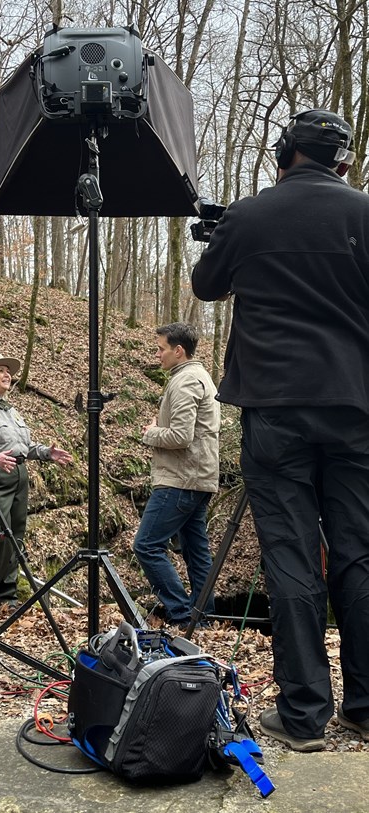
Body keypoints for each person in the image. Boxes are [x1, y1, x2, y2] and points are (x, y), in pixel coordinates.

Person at [191, 108, 369, 752]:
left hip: (276, 410)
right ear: (342, 162)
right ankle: (366, 706)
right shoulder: (364, 213)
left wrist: (224, 237)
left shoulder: (249, 214)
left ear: (283, 153)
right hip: (356, 408)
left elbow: (205, 284)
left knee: (291, 554)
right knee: (360, 551)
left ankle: (303, 716)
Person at [0, 351, 73, 610]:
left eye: (8, 370)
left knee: (16, 537)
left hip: (18, 476)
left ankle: (8, 596)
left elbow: (22, 446)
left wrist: (47, 452)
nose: (7, 374)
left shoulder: (10, 411)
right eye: (0, 370)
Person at [133, 323, 220, 629]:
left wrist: (150, 432)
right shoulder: (200, 377)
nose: (157, 355)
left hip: (180, 479)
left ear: (178, 350)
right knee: (197, 552)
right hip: (199, 478)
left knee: (146, 545)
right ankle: (203, 618)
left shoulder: (184, 381)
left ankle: (183, 615)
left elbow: (180, 436)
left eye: (160, 348)